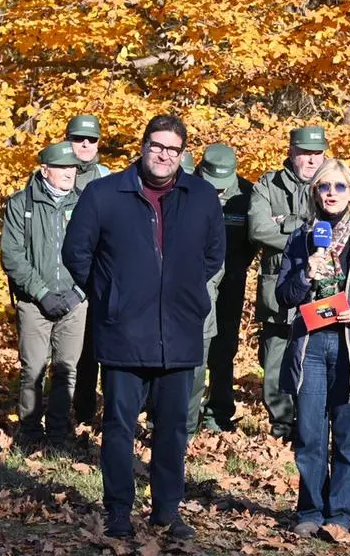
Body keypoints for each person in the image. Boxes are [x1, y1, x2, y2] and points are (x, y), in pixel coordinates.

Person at [62, 115, 225, 539]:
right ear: (143, 145)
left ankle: (167, 510)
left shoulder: (203, 196)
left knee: (172, 428)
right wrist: (110, 294)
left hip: (180, 332)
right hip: (123, 332)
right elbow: (76, 252)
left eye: (173, 148)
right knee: (119, 426)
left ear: (182, 152)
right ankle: (118, 510)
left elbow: (213, 255)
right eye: (157, 145)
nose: (164, 154)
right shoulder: (104, 194)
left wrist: (181, 294)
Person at [275, 159, 350, 540]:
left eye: (339, 187)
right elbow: (284, 295)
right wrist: (305, 272)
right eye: (324, 187)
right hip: (310, 344)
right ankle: (309, 509)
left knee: (347, 436)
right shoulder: (302, 236)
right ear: (315, 193)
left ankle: (341, 514)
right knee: (309, 434)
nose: (331, 193)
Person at [1, 141, 87, 449]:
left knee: (67, 369)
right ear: (45, 169)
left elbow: (99, 252)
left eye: (73, 168)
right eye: (62, 167)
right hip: (34, 302)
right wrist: (41, 292)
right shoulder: (21, 204)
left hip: (75, 303)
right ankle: (30, 432)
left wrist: (78, 293)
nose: (69, 173)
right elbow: (11, 255)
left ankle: (59, 433)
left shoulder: (85, 204)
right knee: (33, 368)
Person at [248, 125, 328, 439]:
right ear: (291, 152)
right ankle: (282, 423)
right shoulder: (268, 185)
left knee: (316, 354)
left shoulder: (331, 184)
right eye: (304, 153)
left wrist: (282, 224)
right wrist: (302, 228)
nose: (311, 161)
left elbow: (339, 230)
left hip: (319, 287)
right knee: (275, 358)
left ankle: (312, 421)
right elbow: (258, 230)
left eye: (317, 154)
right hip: (276, 287)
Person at [193, 144, 257, 433]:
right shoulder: (186, 188)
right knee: (192, 346)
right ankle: (185, 415)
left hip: (231, 279)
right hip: (193, 282)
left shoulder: (247, 193)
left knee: (224, 346)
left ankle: (219, 412)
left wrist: (237, 267)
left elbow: (253, 239)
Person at [67, 114, 109, 423]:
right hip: (60, 280)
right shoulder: (49, 172)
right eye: (78, 138)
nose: (85, 144)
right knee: (65, 356)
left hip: (99, 278)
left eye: (91, 139)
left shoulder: (108, 178)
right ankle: (61, 416)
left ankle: (92, 415)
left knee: (100, 350)